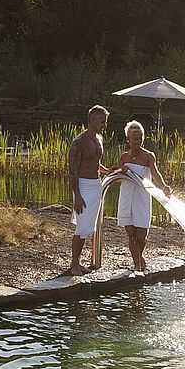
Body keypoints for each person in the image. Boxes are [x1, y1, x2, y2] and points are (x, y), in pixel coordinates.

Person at [110, 120, 174, 271]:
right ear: (128, 139)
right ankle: (137, 265)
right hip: (126, 195)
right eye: (135, 139)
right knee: (131, 233)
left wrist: (163, 186)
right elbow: (119, 176)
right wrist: (119, 171)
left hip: (142, 196)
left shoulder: (148, 156)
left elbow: (155, 174)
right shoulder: (124, 156)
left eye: (140, 139)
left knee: (141, 235)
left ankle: (139, 259)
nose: (137, 142)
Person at [67, 105, 112, 276]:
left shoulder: (99, 139)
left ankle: (78, 263)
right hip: (83, 186)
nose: (104, 124)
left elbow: (95, 164)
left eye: (105, 121)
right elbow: (73, 171)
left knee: (89, 227)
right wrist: (77, 196)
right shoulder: (79, 142)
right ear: (92, 120)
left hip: (96, 185)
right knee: (82, 227)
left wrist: (108, 171)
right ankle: (74, 264)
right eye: (102, 121)